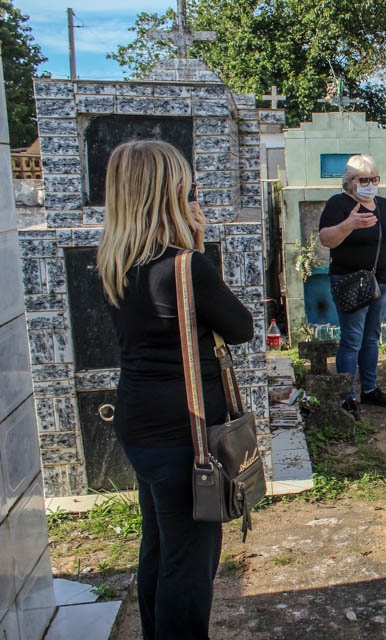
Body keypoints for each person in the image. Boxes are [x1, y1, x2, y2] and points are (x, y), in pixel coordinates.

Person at [98, 140, 254, 640]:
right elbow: (241, 327)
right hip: (184, 434)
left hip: (140, 423)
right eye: (186, 187)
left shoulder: (116, 259)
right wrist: (197, 249)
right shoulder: (185, 266)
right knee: (189, 564)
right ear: (169, 193)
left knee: (161, 549)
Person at [320, 154, 386, 417]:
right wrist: (349, 224)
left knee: (371, 338)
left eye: (374, 179)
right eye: (364, 179)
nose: (370, 184)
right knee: (352, 338)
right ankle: (346, 396)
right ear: (350, 182)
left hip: (383, 282)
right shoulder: (339, 204)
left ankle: (369, 390)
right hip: (351, 281)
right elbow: (326, 239)